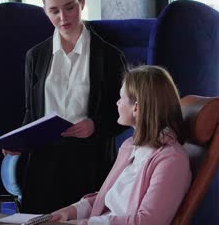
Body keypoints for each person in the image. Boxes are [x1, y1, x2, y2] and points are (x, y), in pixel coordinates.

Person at [3, 0, 127, 213]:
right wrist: (19, 141)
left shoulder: (109, 56)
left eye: (69, 7)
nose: (62, 17)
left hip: (91, 162)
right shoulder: (35, 56)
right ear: (45, 11)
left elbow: (123, 116)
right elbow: (32, 113)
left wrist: (95, 125)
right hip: (43, 164)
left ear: (81, 2)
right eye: (54, 11)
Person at [50, 65, 192, 224]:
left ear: (136, 108)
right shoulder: (130, 146)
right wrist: (71, 211)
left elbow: (149, 221)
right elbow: (109, 197)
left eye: (121, 98)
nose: (117, 103)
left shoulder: (172, 160)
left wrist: (82, 224)